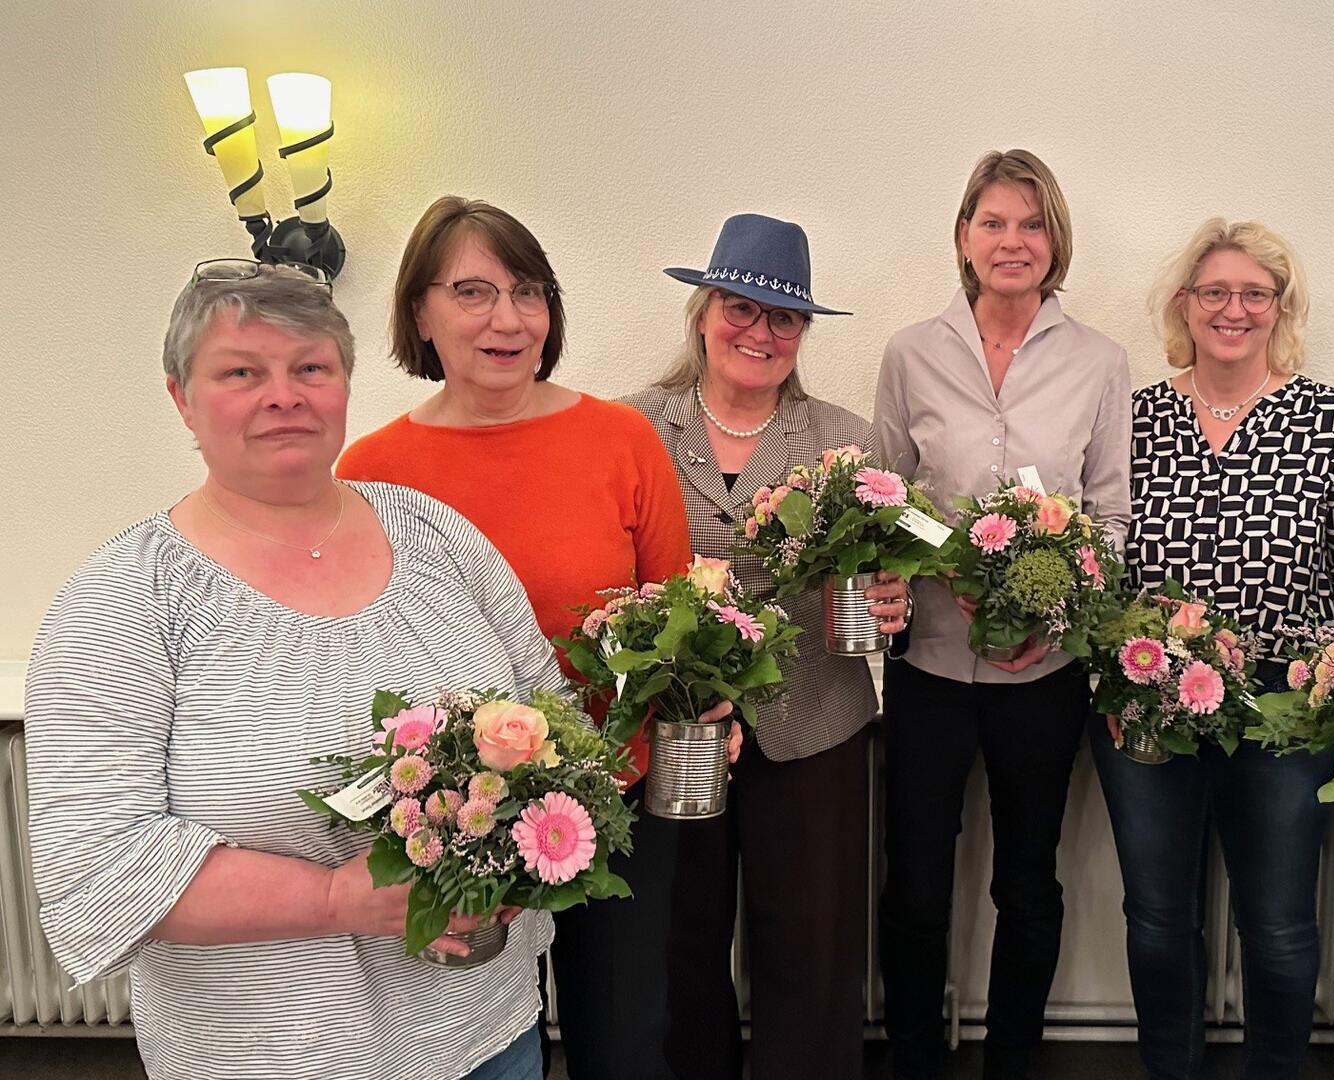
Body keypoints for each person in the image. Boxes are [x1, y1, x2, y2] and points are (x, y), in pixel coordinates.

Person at [26, 261, 559, 1080]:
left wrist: (523, 851)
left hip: (485, 1037)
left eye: (311, 367)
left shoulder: (438, 535)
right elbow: (101, 860)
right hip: (273, 1055)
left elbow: (549, 716)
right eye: (243, 372)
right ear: (182, 398)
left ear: (344, 384)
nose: (285, 395)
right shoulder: (125, 601)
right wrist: (334, 899)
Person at [335, 196, 705, 1080]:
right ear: (419, 313)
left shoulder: (622, 439)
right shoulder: (372, 471)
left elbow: (679, 614)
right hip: (459, 815)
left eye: (528, 292)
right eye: (473, 291)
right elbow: (353, 641)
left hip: (613, 799)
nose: (507, 319)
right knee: (480, 1044)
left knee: (622, 1036)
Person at [623, 213, 907, 1080]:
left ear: (803, 333)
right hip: (676, 723)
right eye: (741, 308)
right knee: (678, 936)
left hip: (813, 721)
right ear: (704, 312)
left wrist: (898, 596)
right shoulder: (632, 428)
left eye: (783, 318)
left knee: (812, 944)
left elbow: (912, 555)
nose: (760, 331)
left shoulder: (847, 439)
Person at [1093, 219, 1334, 1079]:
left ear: (1280, 308)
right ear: (1185, 303)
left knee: (1281, 921)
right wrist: (1112, 670)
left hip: (1284, 707)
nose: (1233, 309)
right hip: (1150, 698)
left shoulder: (1327, 415)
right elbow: (1101, 560)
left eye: (1255, 293)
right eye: (1214, 291)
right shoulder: (1136, 414)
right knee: (1156, 916)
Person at [873, 148, 1130, 1080]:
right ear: (964, 237)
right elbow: (887, 500)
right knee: (915, 886)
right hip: (930, 665)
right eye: (993, 222)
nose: (1011, 241)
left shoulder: (1099, 360)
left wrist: (1052, 612)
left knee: (1028, 882)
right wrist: (946, 568)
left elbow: (1107, 515)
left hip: (1043, 673)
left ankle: (1012, 1060)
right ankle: (912, 1058)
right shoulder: (911, 352)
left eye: (1030, 224)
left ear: (1054, 241)